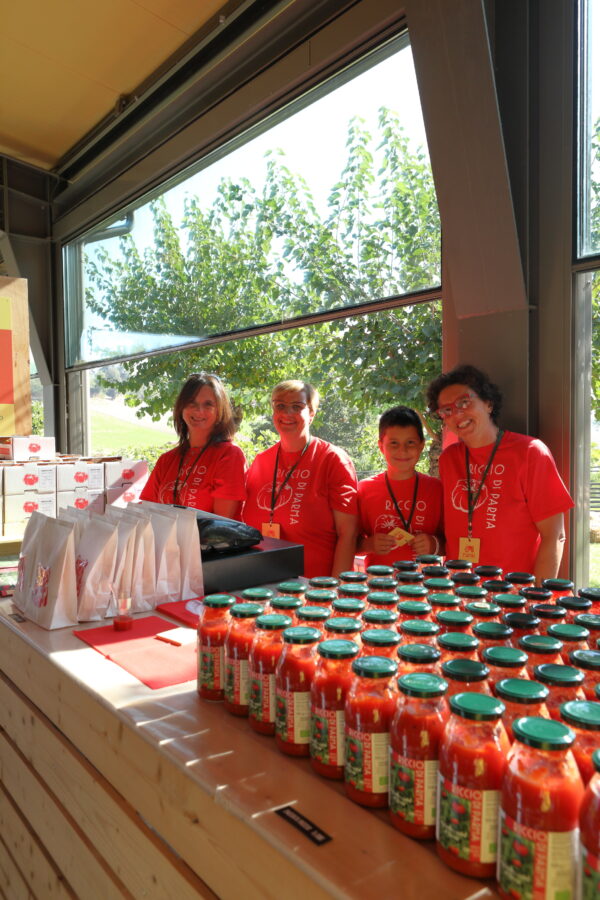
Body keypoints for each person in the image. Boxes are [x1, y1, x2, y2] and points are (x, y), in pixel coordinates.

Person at [426, 364, 574, 583]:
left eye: (464, 402)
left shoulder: (530, 452)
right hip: (462, 592)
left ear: (488, 403)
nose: (456, 413)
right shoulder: (449, 459)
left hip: (513, 596)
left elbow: (555, 536)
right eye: (446, 410)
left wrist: (537, 598)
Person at [242, 380, 358, 577]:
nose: (287, 413)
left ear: (312, 413)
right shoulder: (262, 461)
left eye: (297, 407)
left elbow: (349, 535)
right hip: (264, 584)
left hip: (314, 590)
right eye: (280, 406)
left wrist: (335, 592)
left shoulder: (332, 459)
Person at [140, 373, 247, 518]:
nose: (199, 410)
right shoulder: (167, 460)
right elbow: (146, 512)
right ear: (181, 408)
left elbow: (221, 525)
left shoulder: (229, 455)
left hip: (207, 541)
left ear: (219, 410)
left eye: (208, 404)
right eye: (192, 403)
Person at [357, 405, 444, 568]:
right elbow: (348, 542)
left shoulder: (436, 489)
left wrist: (434, 545)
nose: (402, 451)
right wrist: (368, 544)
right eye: (394, 443)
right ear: (381, 446)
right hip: (380, 584)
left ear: (421, 445)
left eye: (410, 443)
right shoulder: (364, 490)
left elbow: (453, 541)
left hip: (425, 584)